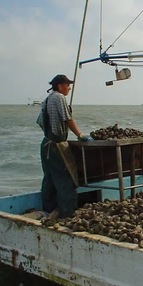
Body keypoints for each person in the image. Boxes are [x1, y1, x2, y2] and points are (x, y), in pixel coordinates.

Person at [36, 74, 92, 219]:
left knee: (49, 178)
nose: (69, 88)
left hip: (46, 144)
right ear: (60, 86)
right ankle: (67, 213)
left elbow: (40, 122)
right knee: (65, 179)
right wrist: (80, 135)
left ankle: (48, 209)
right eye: (67, 85)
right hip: (56, 145)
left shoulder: (47, 99)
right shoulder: (59, 98)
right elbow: (67, 119)